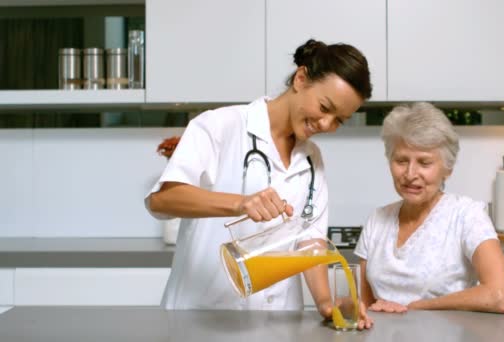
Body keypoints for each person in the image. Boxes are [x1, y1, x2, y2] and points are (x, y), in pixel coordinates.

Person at [145, 39, 373, 328]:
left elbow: (310, 241)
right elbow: (161, 200)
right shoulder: (220, 126)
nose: (327, 125)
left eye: (340, 120)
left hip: (276, 324)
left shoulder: (312, 159)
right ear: (301, 79)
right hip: (202, 318)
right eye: (325, 107)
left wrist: (327, 304)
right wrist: (240, 203)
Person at [355, 102, 504, 314]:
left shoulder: (467, 215)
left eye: (424, 162)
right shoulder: (377, 220)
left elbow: (500, 295)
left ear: (447, 168)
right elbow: (365, 306)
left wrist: (414, 308)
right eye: (401, 160)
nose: (410, 174)